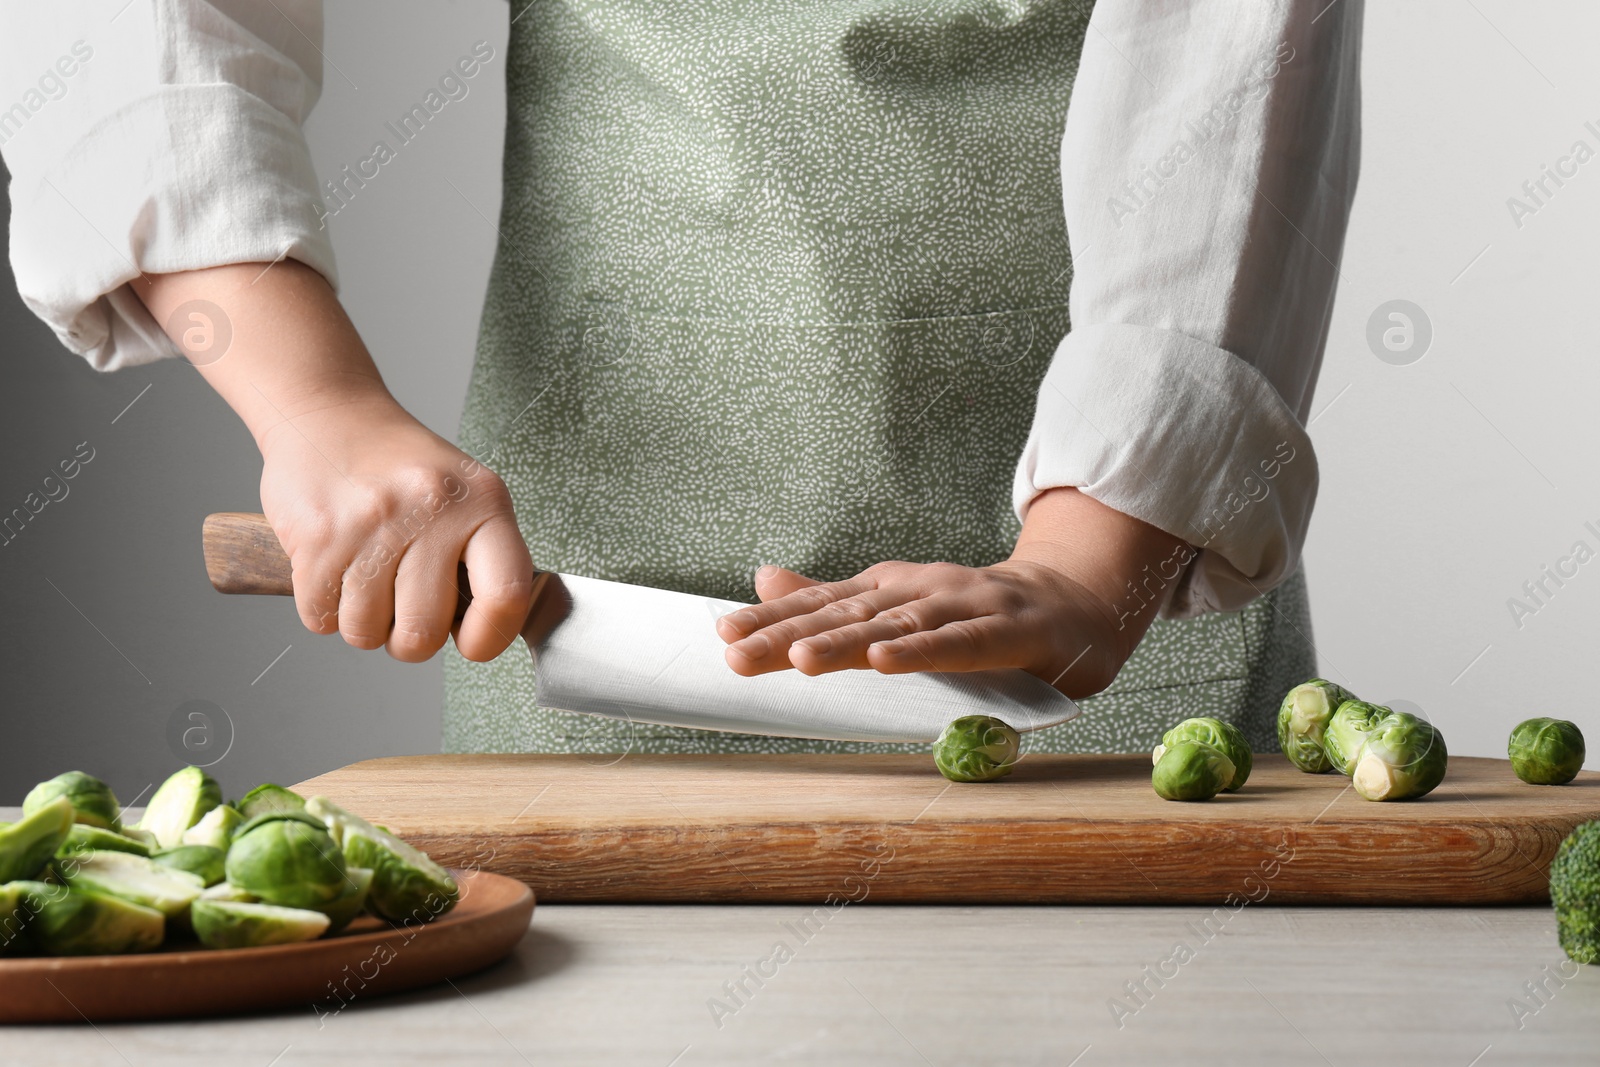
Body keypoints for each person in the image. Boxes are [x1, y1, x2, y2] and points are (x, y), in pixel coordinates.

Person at [1, 0, 1361, 756]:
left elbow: (1236, 75)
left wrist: (1085, 562)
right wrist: (315, 409)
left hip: (1115, 636)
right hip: (589, 608)